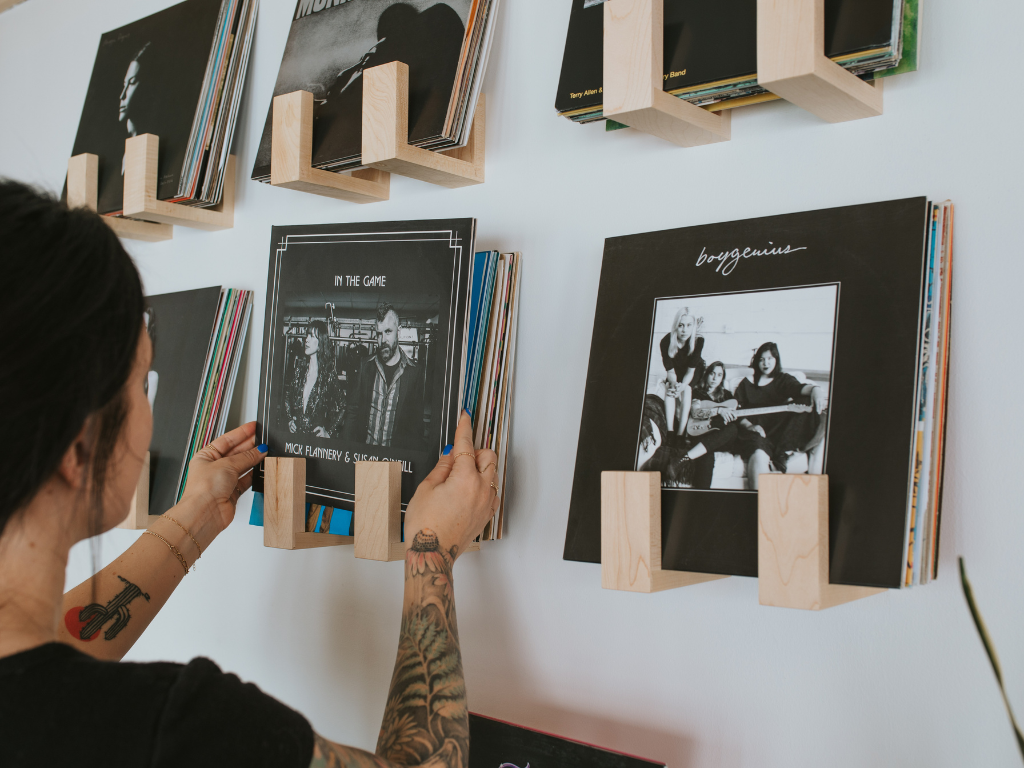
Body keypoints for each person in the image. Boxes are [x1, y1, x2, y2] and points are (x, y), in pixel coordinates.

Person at [0, 179, 500, 767]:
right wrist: (430, 551)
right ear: (78, 445)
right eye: (141, 382)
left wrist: (195, 518)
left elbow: (48, 663)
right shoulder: (177, 729)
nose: (149, 405)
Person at [731, 342, 827, 490]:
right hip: (755, 430)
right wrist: (750, 426)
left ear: (776, 359)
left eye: (770, 358)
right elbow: (736, 413)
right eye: (762, 359)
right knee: (758, 452)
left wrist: (816, 390)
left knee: (806, 403)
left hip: (780, 430)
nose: (766, 363)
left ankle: (781, 451)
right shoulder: (746, 383)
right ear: (757, 361)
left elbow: (800, 389)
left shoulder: (783, 379)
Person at [343, 302, 427, 450]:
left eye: (388, 332)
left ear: (398, 331)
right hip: (365, 453)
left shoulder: (415, 372)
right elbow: (352, 411)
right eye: (379, 334)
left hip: (395, 458)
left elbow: (416, 425)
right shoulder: (365, 365)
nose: (383, 340)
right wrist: (348, 449)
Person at [675, 362, 741, 490]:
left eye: (719, 375)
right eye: (712, 374)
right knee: (706, 456)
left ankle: (686, 457)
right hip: (701, 435)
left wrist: (733, 416)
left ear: (722, 378)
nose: (715, 378)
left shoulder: (727, 396)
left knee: (733, 429)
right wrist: (718, 411)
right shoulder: (697, 393)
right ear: (707, 375)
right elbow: (695, 412)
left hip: (721, 437)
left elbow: (734, 421)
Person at [284, 319, 343, 438]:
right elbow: (287, 397)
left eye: (312, 336)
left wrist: (329, 432)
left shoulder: (328, 375)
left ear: (321, 343)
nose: (307, 339)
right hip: (296, 438)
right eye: (307, 335)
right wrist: (290, 420)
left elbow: (343, 406)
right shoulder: (299, 370)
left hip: (315, 442)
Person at [659, 306, 705, 439]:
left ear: (693, 326)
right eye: (681, 325)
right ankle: (670, 432)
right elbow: (670, 370)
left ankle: (680, 434)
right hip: (675, 371)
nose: (684, 330)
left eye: (688, 325)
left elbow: (691, 371)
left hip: (693, 371)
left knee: (687, 391)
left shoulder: (698, 341)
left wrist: (683, 386)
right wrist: (674, 385)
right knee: (670, 389)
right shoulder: (666, 341)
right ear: (675, 326)